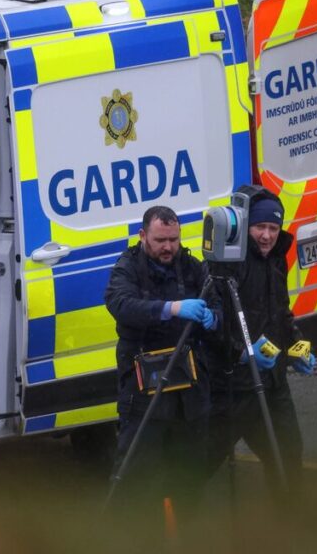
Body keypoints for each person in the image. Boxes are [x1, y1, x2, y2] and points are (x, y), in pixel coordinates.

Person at [104, 205, 219, 524]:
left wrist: (214, 318)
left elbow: (219, 302)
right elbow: (120, 304)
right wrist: (171, 308)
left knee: (190, 476)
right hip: (143, 387)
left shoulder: (191, 265)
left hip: (189, 390)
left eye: (174, 239)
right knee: (140, 480)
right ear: (143, 236)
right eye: (160, 240)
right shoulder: (127, 267)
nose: (168, 247)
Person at [206, 186, 317, 504]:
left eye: (273, 228)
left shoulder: (277, 260)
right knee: (200, 463)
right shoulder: (228, 266)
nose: (267, 236)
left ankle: (288, 525)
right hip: (233, 389)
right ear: (246, 227)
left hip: (272, 384)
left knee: (288, 454)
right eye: (260, 228)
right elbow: (213, 329)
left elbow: (281, 313)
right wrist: (243, 354)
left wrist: (298, 348)